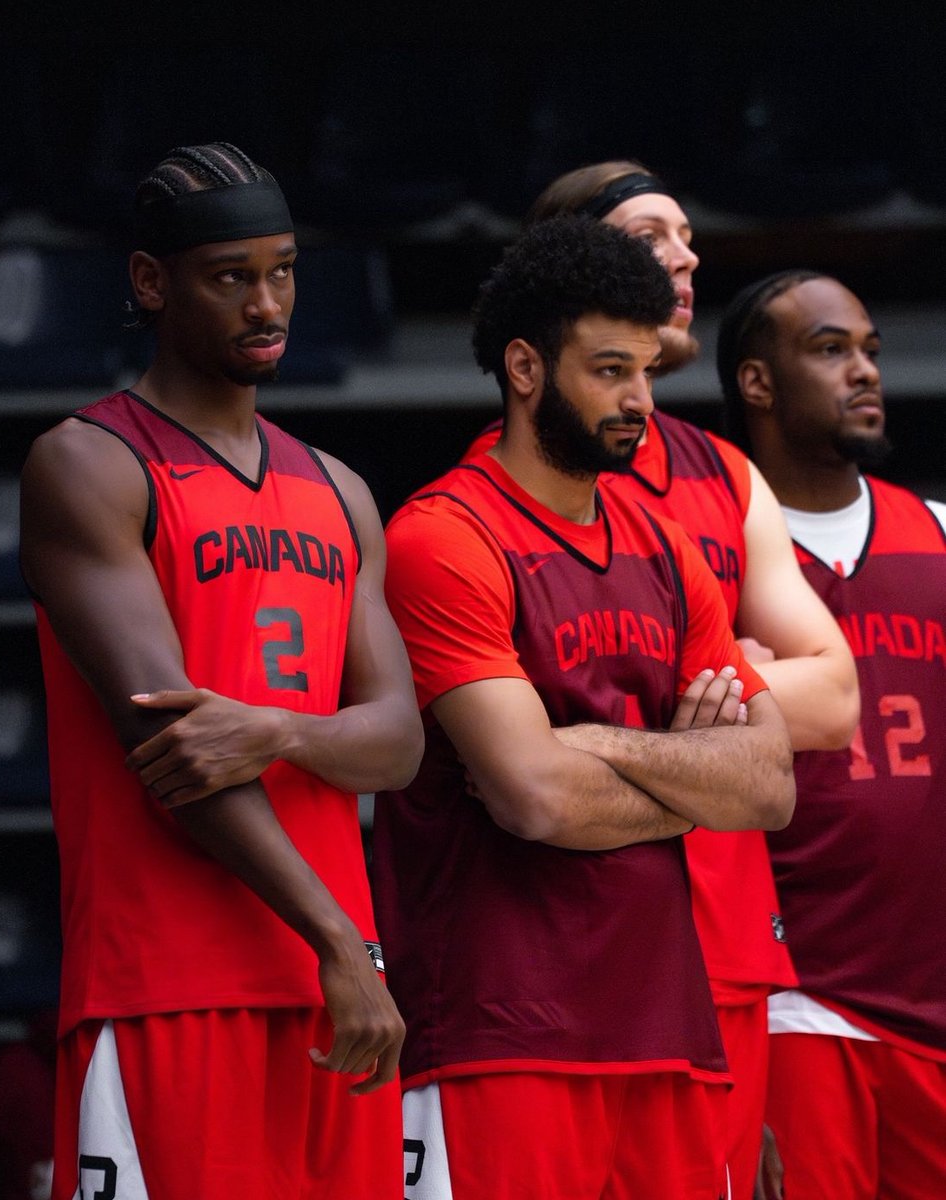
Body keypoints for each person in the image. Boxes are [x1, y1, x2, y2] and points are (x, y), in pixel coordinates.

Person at [19, 142, 424, 1200]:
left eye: (282, 270)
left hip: (336, 996)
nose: (266, 303)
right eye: (230, 275)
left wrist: (284, 730)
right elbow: (175, 744)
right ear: (152, 282)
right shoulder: (89, 463)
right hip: (170, 983)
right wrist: (340, 937)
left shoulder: (338, 489)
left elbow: (398, 741)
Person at [373, 214, 796, 1200]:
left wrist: (596, 746)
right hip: (496, 1036)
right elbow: (533, 799)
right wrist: (689, 772)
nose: (638, 402)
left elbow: (770, 785)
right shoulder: (443, 537)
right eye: (609, 371)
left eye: (647, 373)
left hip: (666, 1032)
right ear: (524, 367)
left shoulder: (662, 541)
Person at [462, 161, 859, 1200]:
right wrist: (720, 708)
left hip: (728, 941)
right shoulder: (473, 513)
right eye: (651, 236)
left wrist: (656, 711)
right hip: (565, 956)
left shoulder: (722, 472)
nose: (683, 257)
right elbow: (524, 762)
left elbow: (832, 702)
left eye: (686, 234)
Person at [718, 270, 946, 1199]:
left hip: (928, 990)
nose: (864, 372)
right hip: (797, 996)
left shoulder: (935, 532)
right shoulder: (709, 551)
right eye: (829, 349)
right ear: (757, 383)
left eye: (870, 351)